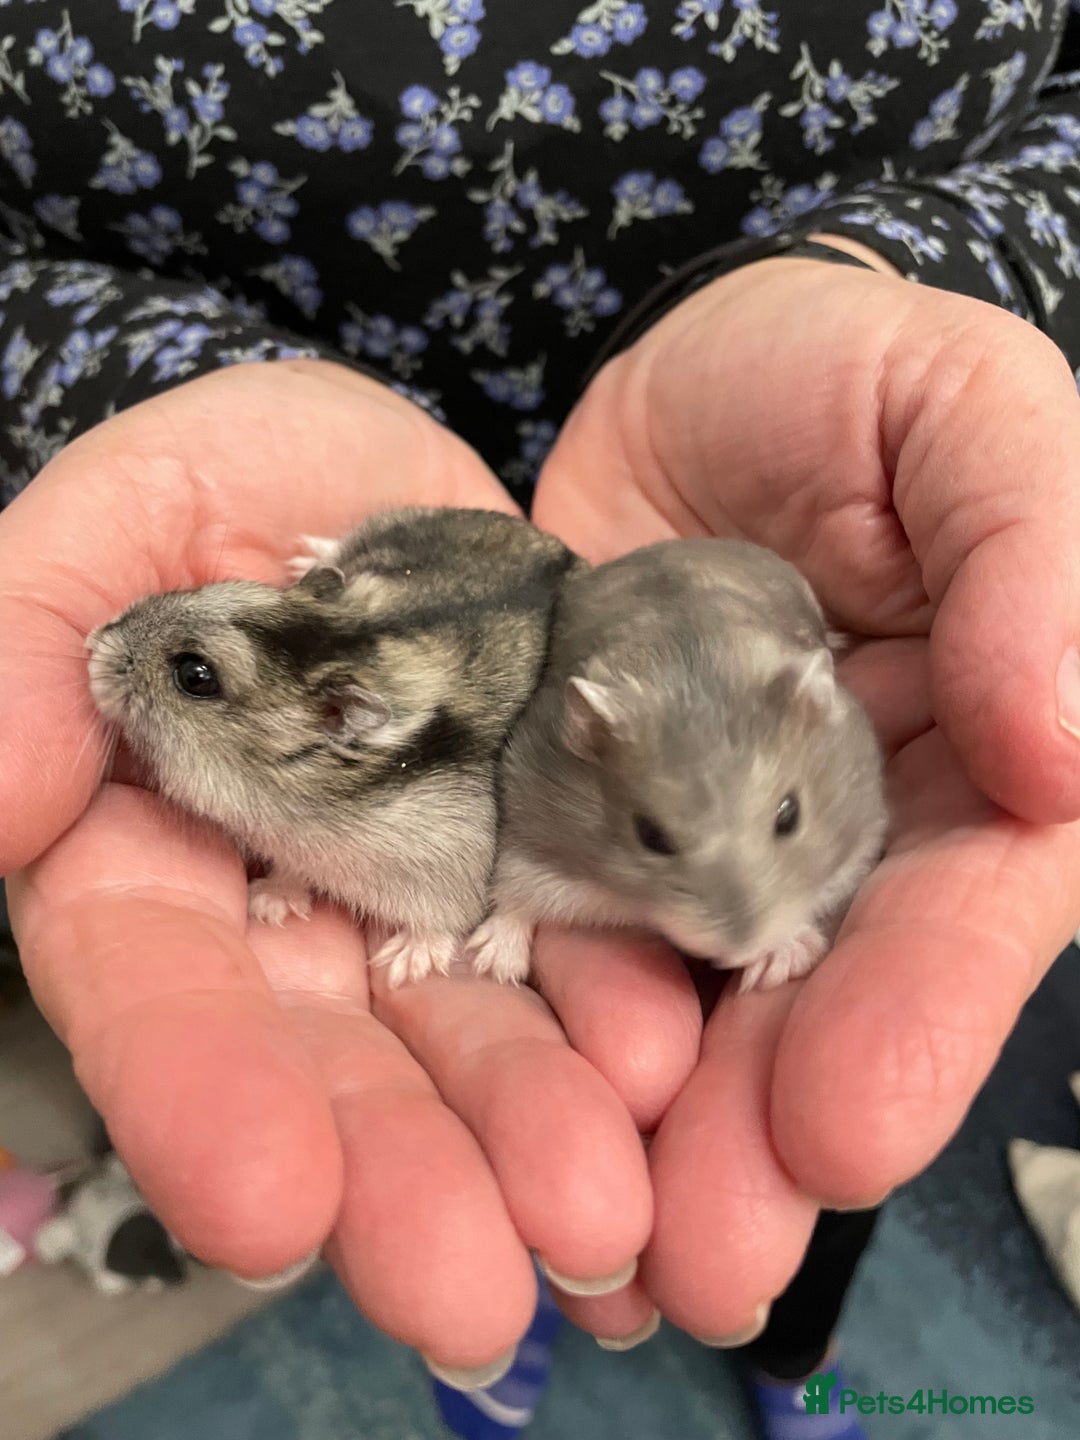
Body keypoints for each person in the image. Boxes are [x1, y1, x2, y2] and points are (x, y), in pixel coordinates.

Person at [3, 4, 1080, 1437]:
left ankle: (797, 1362)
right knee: (534, 1192)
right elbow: (493, 841)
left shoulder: (793, 718)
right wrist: (120, 380)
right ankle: (508, 1333)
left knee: (811, 1143)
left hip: (688, 506)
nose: (724, 904)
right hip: (372, 496)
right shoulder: (498, 751)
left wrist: (921, 272)